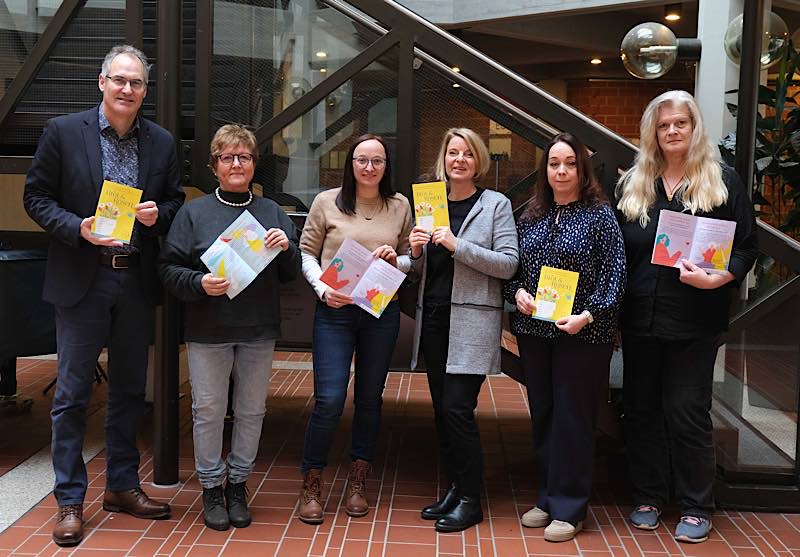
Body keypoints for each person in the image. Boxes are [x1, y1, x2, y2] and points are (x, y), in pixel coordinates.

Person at [22, 45, 184, 547]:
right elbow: (36, 198)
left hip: (133, 278)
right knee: (72, 395)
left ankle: (121, 485)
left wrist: (159, 214)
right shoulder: (63, 132)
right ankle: (70, 499)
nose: (127, 89)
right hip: (83, 276)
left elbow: (175, 200)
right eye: (119, 80)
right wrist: (77, 227)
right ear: (101, 82)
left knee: (131, 391)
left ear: (144, 91)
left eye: (136, 83)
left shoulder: (160, 141)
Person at [616, 90, 758, 543]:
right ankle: (649, 496)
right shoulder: (635, 183)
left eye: (680, 123)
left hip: (695, 320)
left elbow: (747, 247)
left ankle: (697, 504)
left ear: (695, 128)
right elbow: (620, 251)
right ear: (652, 133)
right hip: (640, 319)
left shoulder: (723, 181)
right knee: (642, 410)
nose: (672, 131)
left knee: (687, 412)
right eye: (663, 125)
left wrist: (719, 279)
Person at [159, 124, 300, 531]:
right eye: (227, 157)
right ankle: (211, 487)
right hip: (208, 328)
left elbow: (290, 274)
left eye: (244, 157)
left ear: (254, 164)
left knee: (252, 411)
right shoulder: (193, 213)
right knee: (208, 411)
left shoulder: (271, 212)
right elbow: (168, 268)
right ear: (214, 166)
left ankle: (238, 484)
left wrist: (286, 248)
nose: (236, 164)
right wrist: (198, 282)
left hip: (258, 328)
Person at [503, 133, 626, 543]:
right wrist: (518, 293)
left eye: (570, 163)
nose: (561, 171)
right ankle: (548, 497)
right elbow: (514, 269)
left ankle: (570, 507)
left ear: (582, 170)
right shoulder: (532, 215)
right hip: (535, 331)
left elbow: (615, 277)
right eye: (554, 163)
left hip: (583, 333)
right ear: (545, 170)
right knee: (545, 415)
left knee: (574, 418)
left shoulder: (600, 216)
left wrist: (587, 317)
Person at [297, 134, 413, 524]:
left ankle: (358, 478)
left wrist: (396, 259)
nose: (369, 167)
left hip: (380, 313)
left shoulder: (399, 205)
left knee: (369, 399)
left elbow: (411, 259)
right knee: (329, 400)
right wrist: (322, 289)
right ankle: (312, 479)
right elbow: (306, 253)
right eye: (362, 160)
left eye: (377, 161)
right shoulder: (326, 202)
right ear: (350, 164)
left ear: (386, 166)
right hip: (335, 311)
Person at [409, 127, 519, 533]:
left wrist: (458, 245)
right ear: (444, 159)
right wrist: (415, 251)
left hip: (471, 322)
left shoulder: (495, 205)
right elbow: (423, 269)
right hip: (434, 320)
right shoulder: (431, 201)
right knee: (442, 411)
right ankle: (455, 489)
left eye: (467, 154)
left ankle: (471, 499)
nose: (459, 160)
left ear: (479, 161)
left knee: (458, 409)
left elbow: (508, 264)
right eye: (453, 152)